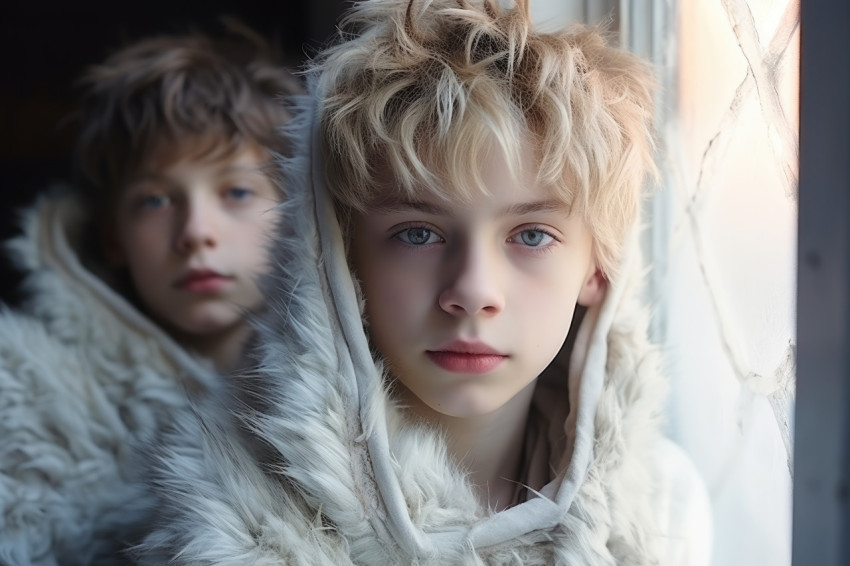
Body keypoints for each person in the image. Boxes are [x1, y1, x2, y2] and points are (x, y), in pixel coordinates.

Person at [137, 0, 711, 564]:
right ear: (338, 261)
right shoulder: (227, 524)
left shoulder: (663, 510)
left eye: (532, 236)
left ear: (599, 266)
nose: (473, 290)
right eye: (418, 234)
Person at [0, 28, 301, 565]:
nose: (195, 232)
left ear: (292, 211)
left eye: (236, 191)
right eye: (156, 200)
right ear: (114, 237)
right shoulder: (29, 403)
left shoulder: (348, 396)